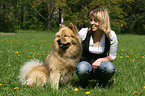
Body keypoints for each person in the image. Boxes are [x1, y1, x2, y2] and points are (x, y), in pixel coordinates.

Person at [76, 8, 118, 88]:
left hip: (101, 66)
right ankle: (84, 84)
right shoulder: (84, 32)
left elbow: (112, 56)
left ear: (103, 21)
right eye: (91, 20)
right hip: (85, 63)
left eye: (96, 21)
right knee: (82, 68)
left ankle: (101, 85)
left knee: (110, 68)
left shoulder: (111, 35)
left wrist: (100, 60)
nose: (92, 23)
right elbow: (72, 45)